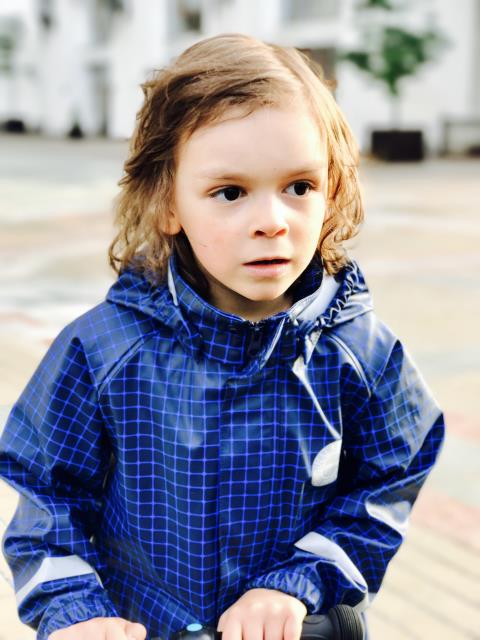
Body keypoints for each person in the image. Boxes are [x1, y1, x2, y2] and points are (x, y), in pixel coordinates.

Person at [0, 34, 444, 640]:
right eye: (230, 193)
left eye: (299, 187)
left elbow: (387, 480)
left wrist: (300, 580)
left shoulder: (360, 351)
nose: (271, 222)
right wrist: (77, 613)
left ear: (333, 190)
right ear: (167, 204)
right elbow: (48, 498)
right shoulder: (103, 349)